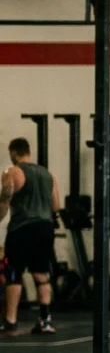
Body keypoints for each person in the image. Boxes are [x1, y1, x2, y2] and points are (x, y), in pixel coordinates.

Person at [1, 138, 61, 335]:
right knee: (42, 275)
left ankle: (10, 321)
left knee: (13, 273)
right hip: (45, 227)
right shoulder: (48, 175)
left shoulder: (13, 171)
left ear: (14, 152)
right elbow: (56, 206)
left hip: (22, 227)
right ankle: (45, 321)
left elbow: (5, 199)